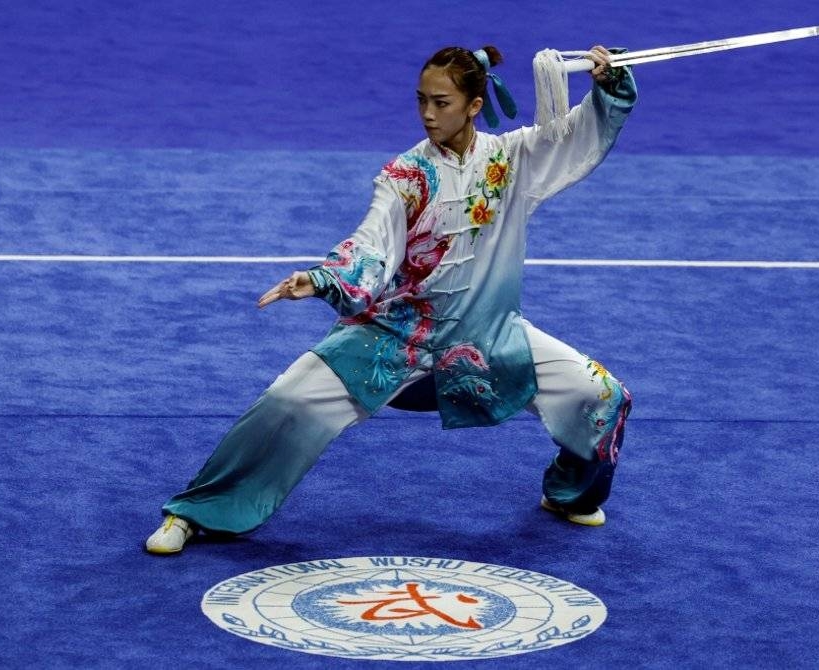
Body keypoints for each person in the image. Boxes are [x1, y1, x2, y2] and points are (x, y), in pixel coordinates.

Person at [146, 44, 637, 554]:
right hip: (397, 336)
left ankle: (568, 492)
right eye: (421, 100)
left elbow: (575, 137)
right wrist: (322, 279)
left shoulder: (512, 159)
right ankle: (194, 512)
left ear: (473, 105)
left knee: (601, 395)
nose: (428, 113)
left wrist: (608, 84)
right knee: (287, 401)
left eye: (442, 102)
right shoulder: (405, 177)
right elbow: (372, 245)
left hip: (488, 337)